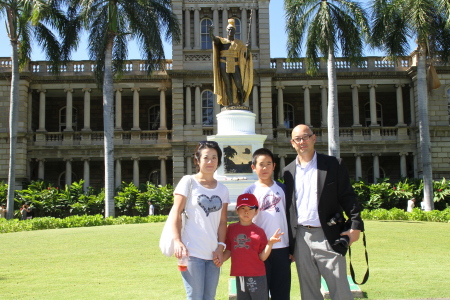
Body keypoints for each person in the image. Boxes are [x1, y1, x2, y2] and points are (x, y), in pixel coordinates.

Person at [282, 124, 364, 300]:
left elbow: (348, 197)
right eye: (298, 139)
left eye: (305, 137)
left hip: (328, 234)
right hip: (301, 237)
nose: (302, 142)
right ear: (292, 143)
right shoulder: (288, 171)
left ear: (314, 138)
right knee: (309, 292)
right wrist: (290, 244)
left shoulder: (333, 164)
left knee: (340, 290)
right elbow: (289, 209)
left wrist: (356, 225)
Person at [171, 140, 230, 300]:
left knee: (209, 297)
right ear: (197, 160)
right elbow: (176, 212)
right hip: (191, 252)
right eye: (206, 157)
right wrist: (177, 241)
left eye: (214, 157)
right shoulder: (188, 182)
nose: (210, 161)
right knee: (195, 297)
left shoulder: (222, 189)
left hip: (213, 254)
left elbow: (222, 221)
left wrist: (220, 247)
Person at [243, 148, 291, 299]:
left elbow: (290, 217)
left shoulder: (283, 189)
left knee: (281, 293)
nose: (265, 168)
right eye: (261, 164)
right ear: (253, 167)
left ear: (274, 166)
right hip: (259, 250)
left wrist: (293, 248)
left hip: (282, 248)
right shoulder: (249, 192)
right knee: (259, 293)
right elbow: (245, 222)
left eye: (268, 164)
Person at [219, 193, 283, 300]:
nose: (246, 212)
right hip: (240, 276)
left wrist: (270, 243)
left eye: (250, 208)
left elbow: (262, 257)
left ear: (256, 211)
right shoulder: (231, 229)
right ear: (237, 210)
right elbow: (229, 250)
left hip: (257, 276)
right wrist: (219, 259)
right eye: (242, 208)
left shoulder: (259, 232)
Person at [209, 18, 253, 107]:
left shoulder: (238, 43)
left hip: (235, 64)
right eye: (229, 29)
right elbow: (214, 39)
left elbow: (245, 56)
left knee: (239, 84)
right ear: (226, 31)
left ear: (234, 31)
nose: (230, 31)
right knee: (227, 84)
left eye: (232, 30)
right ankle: (231, 103)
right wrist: (211, 32)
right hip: (223, 64)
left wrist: (248, 49)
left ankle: (241, 102)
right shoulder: (222, 41)